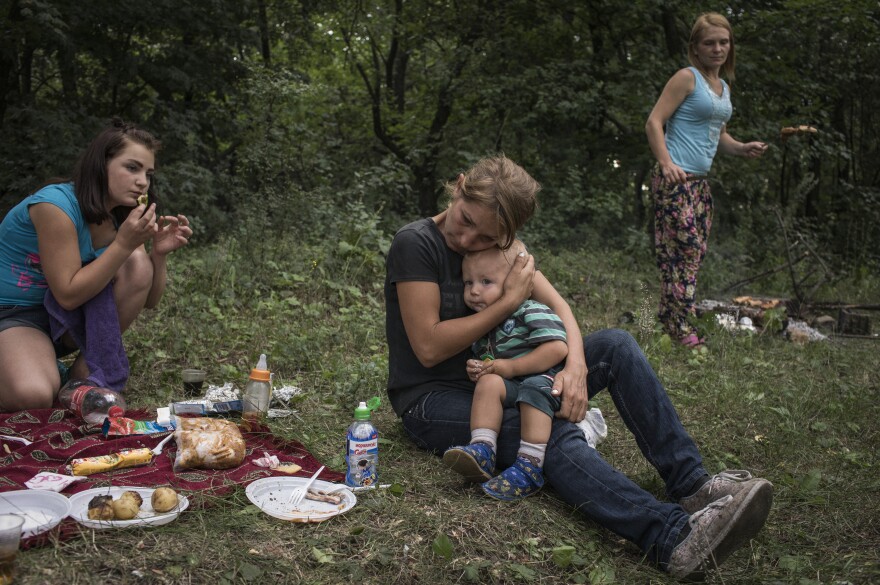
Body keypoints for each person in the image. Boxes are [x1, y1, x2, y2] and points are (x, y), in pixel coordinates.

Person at [384, 155, 772, 581]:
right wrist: (509, 303)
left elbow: (560, 306)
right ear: (458, 187)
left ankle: (693, 486)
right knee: (551, 431)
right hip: (435, 399)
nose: (469, 238)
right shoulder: (416, 243)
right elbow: (428, 347)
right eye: (466, 219)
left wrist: (576, 366)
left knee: (618, 345)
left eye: (486, 234)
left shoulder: (498, 244)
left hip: (509, 375)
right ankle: (672, 538)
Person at [0, 119, 192, 412]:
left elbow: (149, 298)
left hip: (59, 319)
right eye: (132, 167)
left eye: (148, 173)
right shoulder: (55, 207)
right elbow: (67, 293)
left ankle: (83, 376)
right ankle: (33, 368)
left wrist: (159, 254)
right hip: (14, 315)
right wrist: (124, 244)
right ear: (101, 165)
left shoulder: (121, 217)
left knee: (138, 263)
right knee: (33, 394)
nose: (142, 181)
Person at [645, 12, 768, 348]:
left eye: (723, 42)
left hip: (700, 184)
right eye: (709, 43)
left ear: (730, 46)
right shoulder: (687, 78)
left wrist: (742, 147)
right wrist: (665, 162)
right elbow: (654, 122)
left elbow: (719, 135)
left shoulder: (723, 88)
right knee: (685, 251)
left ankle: (672, 319)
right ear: (695, 48)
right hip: (675, 180)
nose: (717, 48)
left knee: (691, 254)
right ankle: (682, 328)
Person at [443, 240, 568, 501]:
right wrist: (479, 369)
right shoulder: (484, 326)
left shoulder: (528, 310)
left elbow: (557, 348)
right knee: (488, 383)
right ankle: (483, 449)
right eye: (469, 283)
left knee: (534, 388)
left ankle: (530, 466)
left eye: (486, 282)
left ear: (515, 282)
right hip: (514, 387)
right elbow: (491, 361)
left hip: (545, 381)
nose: (474, 291)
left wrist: (510, 367)